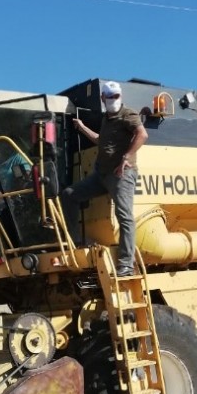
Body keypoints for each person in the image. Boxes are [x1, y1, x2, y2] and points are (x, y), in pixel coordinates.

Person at [62, 80, 148, 276]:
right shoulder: (106, 119)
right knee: (69, 194)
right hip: (101, 175)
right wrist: (82, 127)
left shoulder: (128, 115)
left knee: (125, 216)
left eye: (116, 96)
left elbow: (142, 135)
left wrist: (126, 156)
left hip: (121, 174)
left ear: (121, 96)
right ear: (103, 98)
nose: (113, 100)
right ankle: (75, 243)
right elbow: (101, 141)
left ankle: (126, 263)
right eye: (109, 97)